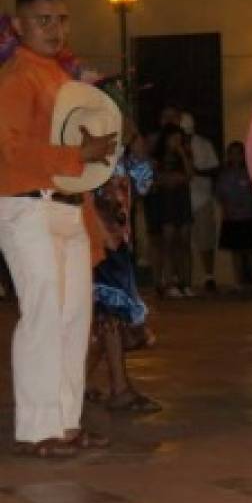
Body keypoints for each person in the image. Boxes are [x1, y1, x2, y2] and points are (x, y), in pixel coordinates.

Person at [0, 0, 117, 457]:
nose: (54, 29)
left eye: (61, 19)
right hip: (26, 204)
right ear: (19, 24)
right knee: (45, 314)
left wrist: (95, 213)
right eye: (43, 20)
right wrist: (78, 153)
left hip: (67, 206)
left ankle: (66, 423)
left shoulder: (59, 78)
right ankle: (37, 429)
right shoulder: (16, 79)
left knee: (74, 317)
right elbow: (9, 151)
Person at [87, 114, 160, 413]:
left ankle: (78, 384)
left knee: (110, 320)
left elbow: (142, 186)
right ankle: (118, 388)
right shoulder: (93, 156)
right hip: (102, 244)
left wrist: (140, 152)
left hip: (119, 244)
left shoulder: (122, 158)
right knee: (112, 318)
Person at [151, 123, 194, 297]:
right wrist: (167, 179)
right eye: (173, 138)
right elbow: (153, 178)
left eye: (180, 138)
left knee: (184, 240)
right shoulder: (157, 156)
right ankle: (169, 282)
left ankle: (186, 282)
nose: (177, 141)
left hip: (182, 198)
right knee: (168, 241)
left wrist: (183, 153)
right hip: (166, 200)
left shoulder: (185, 153)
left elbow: (190, 175)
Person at [180, 112, 221, 294]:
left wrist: (197, 172)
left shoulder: (204, 145)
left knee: (205, 239)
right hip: (180, 198)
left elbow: (214, 170)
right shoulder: (174, 145)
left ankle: (208, 276)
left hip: (201, 197)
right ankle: (183, 278)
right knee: (182, 241)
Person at [215, 141, 252, 290]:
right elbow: (220, 194)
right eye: (232, 153)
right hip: (231, 218)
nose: (235, 157)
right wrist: (228, 206)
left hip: (247, 217)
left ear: (243, 155)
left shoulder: (250, 173)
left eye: (238, 153)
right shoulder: (224, 174)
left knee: (249, 251)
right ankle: (239, 282)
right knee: (235, 251)